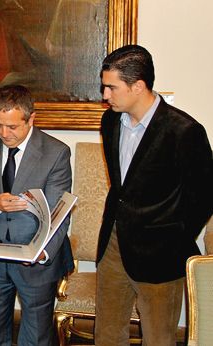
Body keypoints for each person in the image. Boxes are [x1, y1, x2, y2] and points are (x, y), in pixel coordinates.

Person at [95, 44, 213, 345]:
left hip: (161, 255)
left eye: (111, 87)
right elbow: (122, 186)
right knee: (106, 335)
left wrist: (173, 234)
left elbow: (204, 196)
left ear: (138, 86)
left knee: (158, 338)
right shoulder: (109, 121)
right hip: (114, 245)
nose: (105, 95)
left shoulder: (184, 131)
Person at [0, 84, 73, 345]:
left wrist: (41, 252)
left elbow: (59, 213)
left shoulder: (55, 152)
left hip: (35, 258)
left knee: (35, 333)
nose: (3, 133)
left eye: (12, 127)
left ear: (31, 118)